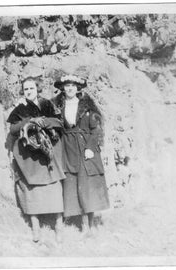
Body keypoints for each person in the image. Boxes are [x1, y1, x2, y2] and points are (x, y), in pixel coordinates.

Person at [7, 76, 65, 243]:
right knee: (32, 190)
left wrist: (43, 122)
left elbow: (59, 122)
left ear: (37, 89)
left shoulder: (47, 104)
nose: (29, 91)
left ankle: (59, 227)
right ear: (23, 92)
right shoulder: (20, 109)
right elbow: (13, 129)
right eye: (26, 89)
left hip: (47, 153)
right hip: (30, 156)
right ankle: (36, 229)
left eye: (32, 88)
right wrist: (29, 121)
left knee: (54, 189)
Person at [53, 74, 110, 234]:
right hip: (67, 147)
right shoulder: (57, 107)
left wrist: (90, 147)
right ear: (62, 88)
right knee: (71, 183)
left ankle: (88, 225)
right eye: (67, 85)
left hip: (84, 146)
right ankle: (74, 220)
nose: (69, 88)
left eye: (72, 85)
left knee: (86, 185)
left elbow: (96, 129)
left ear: (77, 88)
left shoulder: (87, 107)